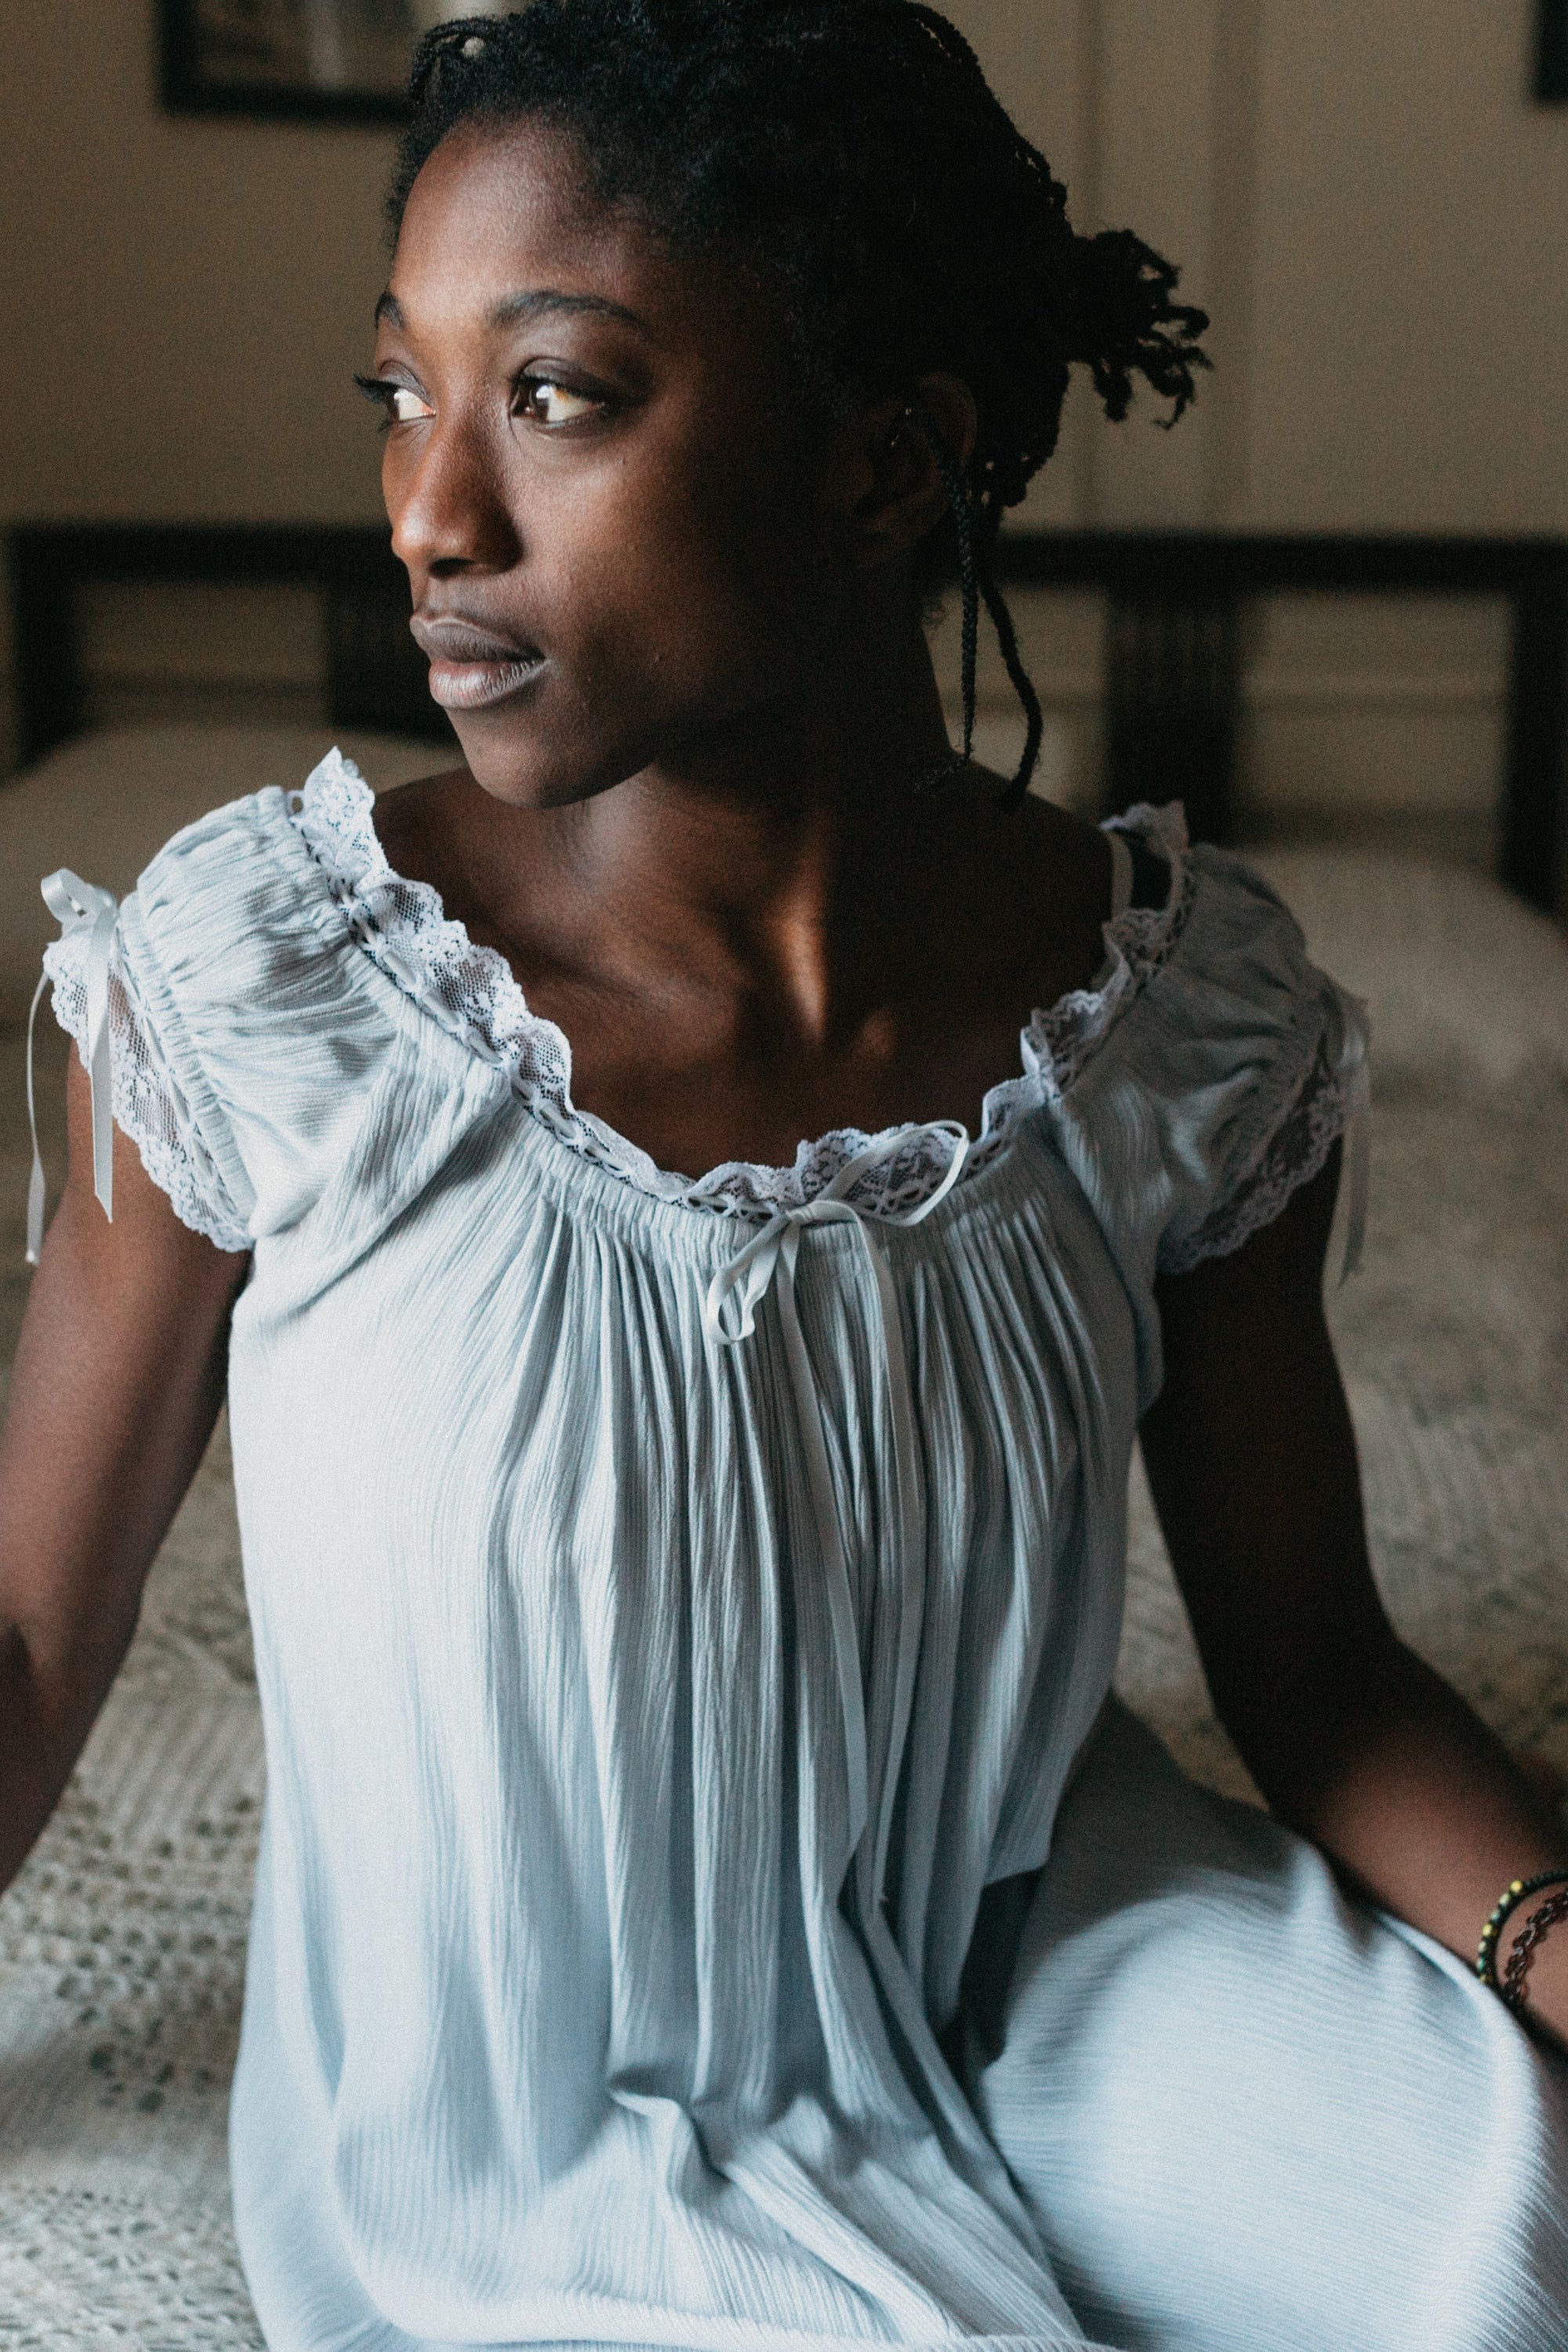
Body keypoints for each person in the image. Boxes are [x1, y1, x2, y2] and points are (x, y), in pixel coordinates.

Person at [4, 5, 1566, 2346]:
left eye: (550, 394)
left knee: (1520, 2243)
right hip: (563, 2110)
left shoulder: (1177, 1025)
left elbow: (1319, 1671)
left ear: (880, 465)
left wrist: (1553, 1945)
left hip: (1053, 1940)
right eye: (399, 394)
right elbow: (33, 1634)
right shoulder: (262, 997)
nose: (430, 509)